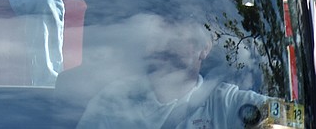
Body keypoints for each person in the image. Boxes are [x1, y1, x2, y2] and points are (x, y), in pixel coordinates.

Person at [76, 12, 269, 128]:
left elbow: (290, 117)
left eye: (176, 34)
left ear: (205, 48)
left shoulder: (224, 104)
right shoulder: (114, 99)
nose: (163, 42)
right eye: (159, 33)